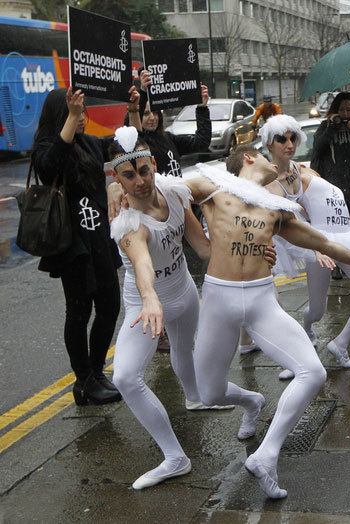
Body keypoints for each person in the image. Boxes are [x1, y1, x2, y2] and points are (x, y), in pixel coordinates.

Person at [176, 155, 350, 499]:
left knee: (313, 372)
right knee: (209, 394)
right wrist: (116, 187)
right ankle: (251, 401)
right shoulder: (212, 187)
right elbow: (160, 191)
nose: (276, 160)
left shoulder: (276, 209)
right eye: (265, 153)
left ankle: (267, 454)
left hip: (262, 302)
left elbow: (325, 243)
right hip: (218, 301)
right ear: (248, 158)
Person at [106, 128, 230, 490]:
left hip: (185, 294)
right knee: (126, 378)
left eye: (144, 171)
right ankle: (175, 457)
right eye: (128, 176)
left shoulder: (175, 194)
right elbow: (142, 263)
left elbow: (204, 249)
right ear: (117, 178)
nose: (140, 181)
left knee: (184, 349)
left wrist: (248, 250)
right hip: (146, 308)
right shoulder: (126, 223)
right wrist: (149, 297)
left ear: (154, 166)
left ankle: (194, 398)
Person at [31, 85, 140, 405]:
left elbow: (125, 144)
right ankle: (83, 380)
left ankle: (96, 372)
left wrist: (132, 108)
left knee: (109, 305)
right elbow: (51, 164)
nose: (81, 118)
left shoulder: (90, 144)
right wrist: (72, 117)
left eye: (82, 111)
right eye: (73, 112)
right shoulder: (45, 148)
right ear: (59, 115)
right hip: (71, 244)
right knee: (78, 312)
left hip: (99, 240)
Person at [258, 114, 350, 370]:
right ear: (269, 144)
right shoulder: (272, 184)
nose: (289, 143)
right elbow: (289, 221)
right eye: (281, 139)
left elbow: (309, 207)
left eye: (293, 137)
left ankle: (340, 344)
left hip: (345, 238)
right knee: (317, 311)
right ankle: (305, 334)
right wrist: (315, 247)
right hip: (318, 246)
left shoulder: (301, 169)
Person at [133, 70, 211, 178]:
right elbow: (133, 122)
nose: (152, 118)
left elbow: (201, 143)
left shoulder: (168, 138)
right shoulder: (137, 144)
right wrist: (143, 91)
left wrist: (202, 108)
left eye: (155, 113)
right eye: (146, 114)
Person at [310, 92, 350, 219]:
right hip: (331, 187)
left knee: (348, 224)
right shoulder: (326, 126)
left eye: (348, 110)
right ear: (336, 110)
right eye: (341, 110)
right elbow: (318, 148)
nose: (345, 114)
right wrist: (332, 127)